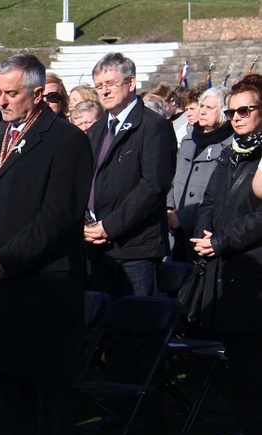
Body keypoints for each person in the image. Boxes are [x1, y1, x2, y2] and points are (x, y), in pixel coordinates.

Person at [0, 54, 92, 435]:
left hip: (43, 286)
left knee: (47, 395)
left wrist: (7, 260)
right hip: (0, 284)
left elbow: (58, 217)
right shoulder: (0, 136)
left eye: (11, 93)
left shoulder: (66, 141)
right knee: (10, 388)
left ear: (38, 94)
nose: (0, 100)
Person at [191, 74, 262, 435]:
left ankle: (254, 433)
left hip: (254, 267)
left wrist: (221, 240)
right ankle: (245, 429)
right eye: (233, 111)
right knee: (238, 357)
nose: (237, 117)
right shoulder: (229, 152)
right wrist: (205, 234)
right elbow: (208, 202)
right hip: (225, 268)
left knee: (254, 358)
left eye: (246, 110)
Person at [85, 52, 176, 299]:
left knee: (133, 327)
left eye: (110, 84)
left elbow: (154, 186)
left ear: (131, 83)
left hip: (135, 250)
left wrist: (110, 226)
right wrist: (87, 224)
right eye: (99, 86)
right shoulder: (96, 130)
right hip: (96, 248)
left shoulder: (153, 127)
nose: (103, 92)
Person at [167, 86, 233, 262]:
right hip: (175, 230)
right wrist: (169, 209)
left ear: (224, 112)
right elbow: (172, 179)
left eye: (209, 108)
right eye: (201, 106)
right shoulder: (188, 140)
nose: (202, 111)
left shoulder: (230, 145)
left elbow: (218, 195)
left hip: (204, 232)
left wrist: (184, 218)